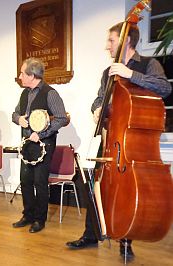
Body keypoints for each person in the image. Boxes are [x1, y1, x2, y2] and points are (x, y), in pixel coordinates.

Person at [66, 22, 172, 259]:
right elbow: (99, 99)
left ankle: (126, 243)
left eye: (111, 41)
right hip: (110, 138)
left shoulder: (148, 64)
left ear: (127, 42)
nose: (107, 46)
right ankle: (90, 235)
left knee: (126, 191)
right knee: (96, 187)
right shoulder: (108, 72)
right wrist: (96, 109)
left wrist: (130, 74)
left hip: (132, 144)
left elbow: (164, 88)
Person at [12, 57, 68, 233]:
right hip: (26, 145)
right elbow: (14, 113)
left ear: (32, 75)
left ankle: (39, 219)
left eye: (22, 73)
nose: (20, 76)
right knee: (25, 180)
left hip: (44, 146)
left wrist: (42, 134)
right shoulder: (24, 93)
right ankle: (27, 215)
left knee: (40, 182)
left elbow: (62, 118)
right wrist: (18, 119)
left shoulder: (50, 93)